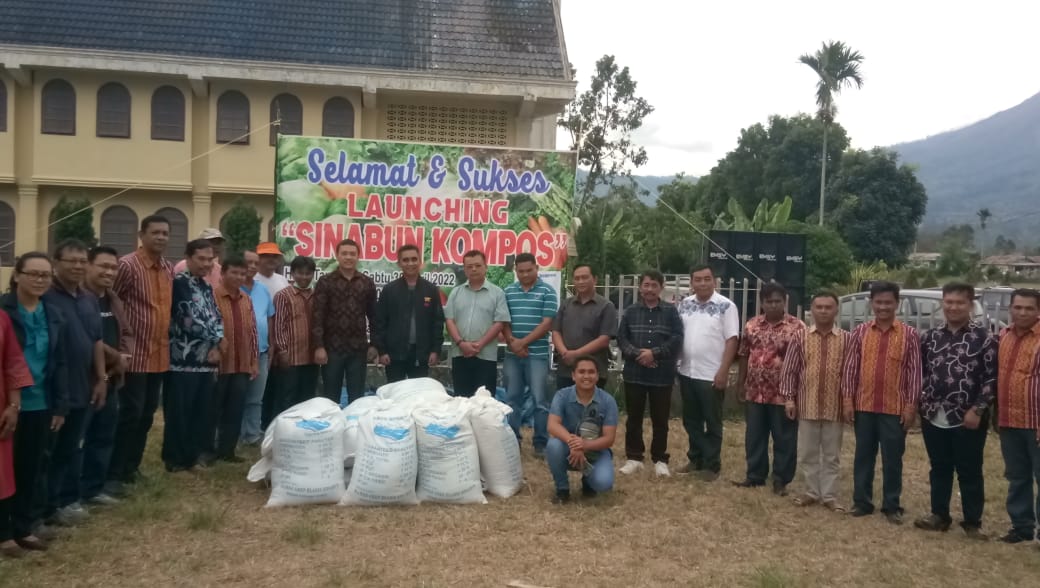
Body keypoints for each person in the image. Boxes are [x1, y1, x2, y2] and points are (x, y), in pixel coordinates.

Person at [913, 283, 997, 538]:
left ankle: (972, 522)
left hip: (968, 417)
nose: (953, 307)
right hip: (933, 414)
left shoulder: (985, 339)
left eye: (959, 302)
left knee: (969, 469)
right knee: (939, 467)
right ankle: (939, 515)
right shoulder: (930, 336)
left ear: (970, 304)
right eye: (948, 302)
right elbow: (922, 373)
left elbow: (992, 379)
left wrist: (978, 409)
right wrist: (921, 403)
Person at [0, 253, 69, 554]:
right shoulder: (4, 311)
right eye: (33, 274)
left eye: (45, 275)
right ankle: (4, 532)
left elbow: (61, 362)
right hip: (7, 404)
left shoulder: (53, 313)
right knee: (5, 472)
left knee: (32, 467)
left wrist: (60, 406)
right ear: (17, 276)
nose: (40, 280)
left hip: (41, 401)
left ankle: (24, 527)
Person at [841, 281, 922, 524]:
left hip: (894, 409)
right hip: (863, 406)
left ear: (897, 304)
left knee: (892, 458)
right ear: (871, 303)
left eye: (888, 302)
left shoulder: (909, 335)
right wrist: (847, 400)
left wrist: (910, 407)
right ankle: (862, 502)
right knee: (863, 455)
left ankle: (891, 505)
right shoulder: (860, 332)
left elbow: (914, 374)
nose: (883, 307)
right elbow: (850, 369)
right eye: (879, 302)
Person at [40, 240, 107, 527]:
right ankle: (40, 509)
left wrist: (101, 377)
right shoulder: (46, 297)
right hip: (54, 387)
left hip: (84, 382)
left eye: (82, 261)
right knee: (47, 451)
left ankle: (65, 501)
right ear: (56, 263)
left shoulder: (88, 298)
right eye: (72, 261)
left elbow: (96, 340)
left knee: (71, 446)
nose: (78, 266)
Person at [109, 215, 174, 490]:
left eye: (165, 233)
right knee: (129, 414)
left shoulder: (168, 268)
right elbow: (112, 300)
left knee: (147, 414)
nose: (161, 237)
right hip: (133, 355)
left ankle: (131, 468)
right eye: (155, 232)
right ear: (142, 235)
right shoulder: (127, 265)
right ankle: (113, 473)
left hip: (158, 354)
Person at [779, 291, 850, 512]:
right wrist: (789, 399)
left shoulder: (847, 339)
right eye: (819, 307)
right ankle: (811, 491)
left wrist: (849, 402)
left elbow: (850, 373)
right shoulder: (800, 337)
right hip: (806, 404)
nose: (823, 311)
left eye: (828, 307)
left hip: (834, 406)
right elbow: (790, 370)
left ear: (836, 310)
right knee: (808, 452)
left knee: (831, 454)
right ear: (812, 309)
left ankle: (828, 495)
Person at [733, 283, 805, 496]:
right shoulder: (752, 325)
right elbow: (744, 354)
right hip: (756, 391)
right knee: (754, 436)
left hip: (783, 394)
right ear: (762, 303)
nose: (773, 305)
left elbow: (803, 361)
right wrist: (741, 383)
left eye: (778, 301)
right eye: (769, 301)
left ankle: (781, 480)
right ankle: (755, 475)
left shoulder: (797, 327)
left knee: (784, 438)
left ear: (785, 302)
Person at [163, 240, 223, 473]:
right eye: (201, 259)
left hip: (207, 360)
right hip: (183, 359)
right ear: (188, 257)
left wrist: (218, 340)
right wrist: (216, 339)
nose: (206, 264)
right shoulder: (179, 284)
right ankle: (175, 459)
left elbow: (216, 316)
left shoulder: (206, 286)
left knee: (202, 411)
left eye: (210, 259)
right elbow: (187, 319)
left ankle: (194, 456)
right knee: (180, 411)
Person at [676, 265, 740, 481]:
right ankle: (695, 458)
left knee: (712, 421)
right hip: (686, 371)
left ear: (715, 281)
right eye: (698, 279)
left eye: (707, 279)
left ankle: (712, 465)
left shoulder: (726, 306)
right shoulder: (685, 305)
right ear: (692, 282)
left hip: (711, 374)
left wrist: (724, 371)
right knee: (690, 420)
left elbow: (732, 339)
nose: (702, 283)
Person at [617, 270, 683, 477]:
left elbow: (677, 338)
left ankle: (660, 459)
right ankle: (634, 457)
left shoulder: (671, 312)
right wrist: (639, 355)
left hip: (662, 374)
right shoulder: (630, 311)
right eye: (646, 285)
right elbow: (621, 339)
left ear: (661, 288)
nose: (649, 289)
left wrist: (654, 354)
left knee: (660, 419)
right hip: (634, 373)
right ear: (640, 287)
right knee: (633, 418)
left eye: (654, 285)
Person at [80, 246, 132, 507]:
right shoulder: (81, 299)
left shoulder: (113, 299)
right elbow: (89, 340)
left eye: (113, 267)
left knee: (103, 435)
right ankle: (70, 496)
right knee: (79, 439)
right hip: (85, 380)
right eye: (103, 266)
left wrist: (124, 356)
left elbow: (126, 333)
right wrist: (116, 357)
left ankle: (93, 489)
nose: (109, 272)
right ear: (88, 266)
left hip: (111, 378)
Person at [995, 288, 1040, 544]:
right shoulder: (1003, 336)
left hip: (1036, 422)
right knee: (1017, 475)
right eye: (1018, 307)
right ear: (1011, 308)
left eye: (1029, 308)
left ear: (1038, 310)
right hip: (1009, 420)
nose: (1022, 312)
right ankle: (1021, 526)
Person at [502, 253, 558, 455]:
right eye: (521, 271)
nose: (525, 274)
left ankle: (540, 443)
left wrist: (522, 343)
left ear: (537, 268)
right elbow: (504, 321)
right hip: (512, 355)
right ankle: (513, 441)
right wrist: (512, 342)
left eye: (529, 270)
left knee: (540, 401)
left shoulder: (548, 292)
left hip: (538, 355)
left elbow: (547, 324)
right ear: (515, 271)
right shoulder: (508, 291)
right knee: (511, 399)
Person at [204, 255, 258, 464]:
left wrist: (253, 361)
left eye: (242, 274)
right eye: (234, 272)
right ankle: (207, 451)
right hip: (219, 364)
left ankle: (228, 450)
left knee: (236, 409)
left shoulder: (246, 300)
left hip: (242, 364)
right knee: (212, 409)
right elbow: (208, 329)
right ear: (223, 273)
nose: (238, 277)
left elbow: (252, 332)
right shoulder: (212, 296)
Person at [0, 287, 40, 558]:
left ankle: (4, 535)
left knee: (2, 476)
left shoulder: (2, 319)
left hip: (1, 411)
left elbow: (13, 363)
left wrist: (14, 405)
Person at [312, 239, 377, 405]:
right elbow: (318, 315)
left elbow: (374, 316)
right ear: (337, 256)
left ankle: (354, 429)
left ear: (358, 256)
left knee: (357, 397)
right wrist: (319, 346)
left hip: (358, 349)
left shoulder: (367, 283)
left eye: (352, 254)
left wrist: (374, 344)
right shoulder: (325, 282)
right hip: (332, 349)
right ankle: (332, 430)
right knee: (330, 397)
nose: (348, 257)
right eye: (344, 253)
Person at [546, 356, 618, 504]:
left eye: (591, 372)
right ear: (573, 375)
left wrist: (584, 445)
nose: (586, 376)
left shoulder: (608, 401)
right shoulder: (562, 395)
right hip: (566, 448)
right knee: (553, 445)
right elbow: (552, 425)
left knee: (603, 483)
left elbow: (609, 439)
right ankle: (562, 489)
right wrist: (574, 443)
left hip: (595, 450)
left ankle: (588, 481)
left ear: (598, 376)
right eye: (582, 372)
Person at [373, 244, 445, 383]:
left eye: (414, 259)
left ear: (420, 262)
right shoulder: (389, 290)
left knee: (417, 397)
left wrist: (435, 350)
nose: (410, 263)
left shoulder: (430, 290)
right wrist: (382, 351)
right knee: (395, 395)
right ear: (399, 263)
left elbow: (437, 323)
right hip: (393, 355)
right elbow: (380, 322)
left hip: (421, 355)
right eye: (405, 260)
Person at [444, 250, 510, 397]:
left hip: (485, 356)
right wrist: (461, 343)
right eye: (469, 266)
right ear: (464, 269)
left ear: (486, 267)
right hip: (460, 354)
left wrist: (479, 345)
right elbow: (449, 320)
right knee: (461, 400)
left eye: (478, 265)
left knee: (484, 402)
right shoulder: (456, 292)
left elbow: (499, 323)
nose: (474, 269)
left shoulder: (497, 293)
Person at [551, 263, 616, 390]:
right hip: (566, 369)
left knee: (591, 407)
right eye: (577, 278)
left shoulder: (606, 306)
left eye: (585, 277)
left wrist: (576, 354)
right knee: (566, 406)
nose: (580, 281)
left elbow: (604, 339)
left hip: (592, 371)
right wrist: (565, 353)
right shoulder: (566, 305)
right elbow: (556, 331)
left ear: (595, 279)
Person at [271, 256, 319, 414]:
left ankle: (302, 433)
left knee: (308, 398)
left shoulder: (317, 295)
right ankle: (284, 431)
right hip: (290, 358)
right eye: (300, 273)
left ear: (313, 274)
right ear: (292, 274)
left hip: (311, 357)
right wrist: (282, 351)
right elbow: (279, 325)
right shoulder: (283, 296)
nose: (304, 277)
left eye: (308, 273)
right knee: (287, 397)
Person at [238, 250, 273, 446]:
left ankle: (252, 434)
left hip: (261, 352)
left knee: (255, 398)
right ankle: (233, 433)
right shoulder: (233, 288)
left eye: (255, 263)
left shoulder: (262, 290)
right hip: (238, 353)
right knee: (235, 397)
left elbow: (269, 319)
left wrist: (272, 346)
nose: (252, 266)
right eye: (248, 262)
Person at [254, 241, 289, 434]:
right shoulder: (254, 280)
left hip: (278, 340)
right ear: (258, 258)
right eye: (266, 256)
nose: (271, 260)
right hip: (260, 343)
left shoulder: (281, 280)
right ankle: (255, 426)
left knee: (275, 385)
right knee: (258, 390)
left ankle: (270, 424)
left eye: (274, 257)